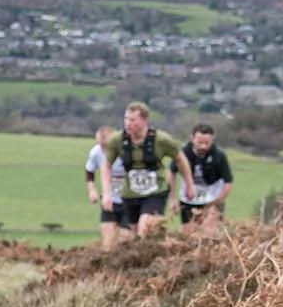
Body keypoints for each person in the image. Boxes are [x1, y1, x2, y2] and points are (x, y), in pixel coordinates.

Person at [111, 102, 173, 239]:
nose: (128, 123)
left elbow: (180, 159)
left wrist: (190, 183)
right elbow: (105, 165)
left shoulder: (161, 139)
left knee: (144, 226)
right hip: (130, 193)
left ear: (144, 120)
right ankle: (157, 246)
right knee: (135, 231)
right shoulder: (117, 140)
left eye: (132, 120)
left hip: (155, 190)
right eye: (126, 119)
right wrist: (106, 192)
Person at [178, 121, 234, 233]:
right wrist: (173, 198)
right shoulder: (184, 152)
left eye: (207, 143)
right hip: (189, 200)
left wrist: (217, 201)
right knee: (187, 233)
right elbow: (172, 171)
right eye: (199, 142)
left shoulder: (219, 155)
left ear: (212, 140)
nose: (203, 146)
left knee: (209, 232)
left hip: (212, 199)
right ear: (192, 138)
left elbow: (228, 182)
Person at [85, 126, 121, 249]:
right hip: (109, 199)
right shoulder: (96, 152)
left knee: (126, 237)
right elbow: (89, 171)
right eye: (101, 145)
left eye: (106, 146)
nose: (104, 149)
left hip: (129, 200)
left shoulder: (126, 151)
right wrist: (92, 190)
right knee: (108, 234)